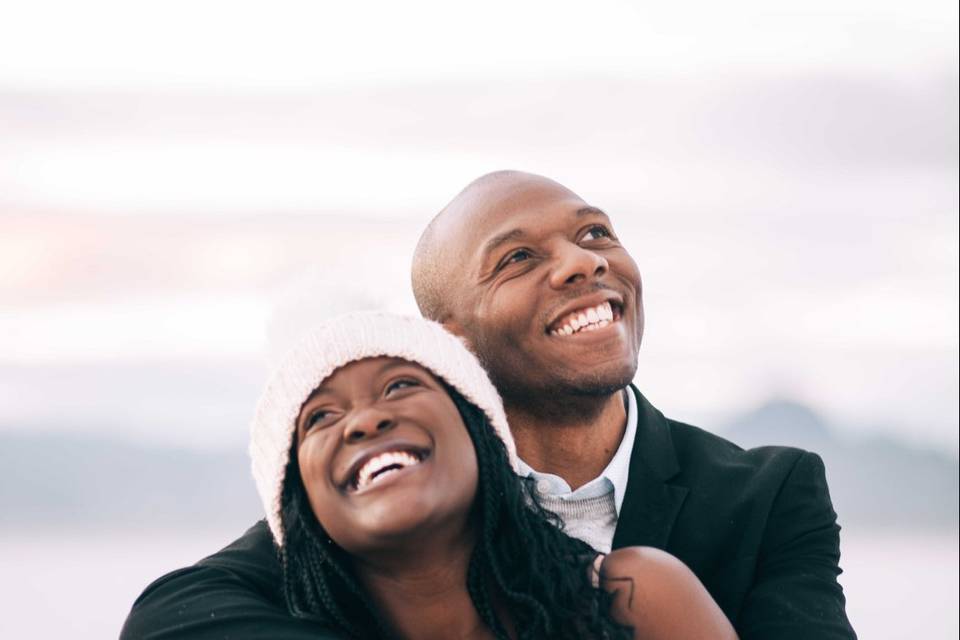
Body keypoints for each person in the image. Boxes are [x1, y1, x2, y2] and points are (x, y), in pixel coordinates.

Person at [121, 171, 856, 639]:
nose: (583, 261)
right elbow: (173, 616)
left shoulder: (767, 494)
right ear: (451, 348)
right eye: (518, 258)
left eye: (594, 233)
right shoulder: (403, 508)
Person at [249, 311, 736, 639]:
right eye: (320, 418)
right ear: (294, 502)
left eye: (400, 386)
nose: (365, 421)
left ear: (482, 430)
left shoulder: (634, 597)